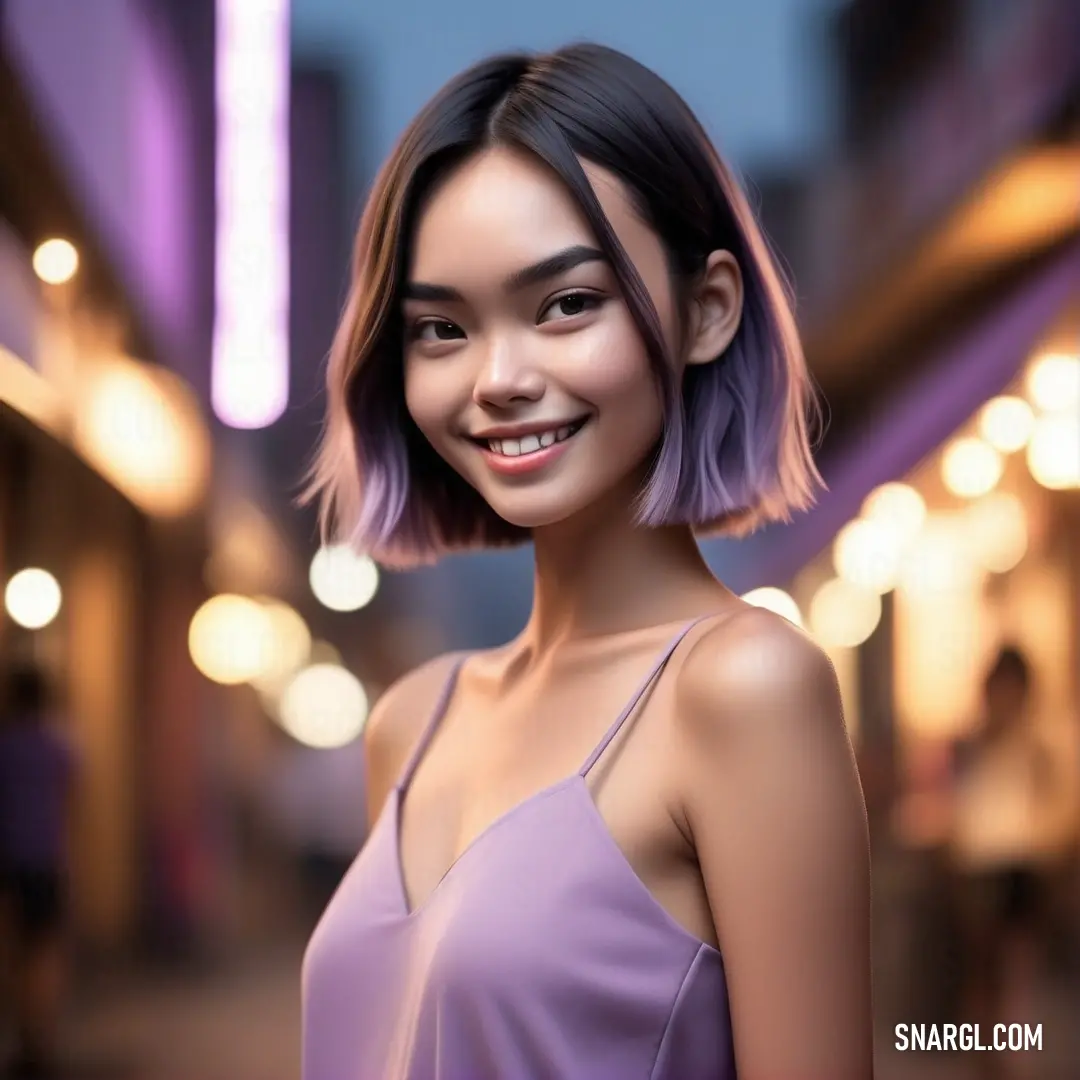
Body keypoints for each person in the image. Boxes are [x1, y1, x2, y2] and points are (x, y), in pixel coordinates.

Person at [300, 43, 872, 1079]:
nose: (498, 379)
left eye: (566, 303)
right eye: (440, 328)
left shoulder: (744, 690)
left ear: (708, 309)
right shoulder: (412, 719)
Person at [950, 646, 1068, 1053]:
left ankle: (1011, 1052)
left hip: (1023, 865)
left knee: (1017, 970)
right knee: (982, 968)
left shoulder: (1038, 745)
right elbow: (956, 806)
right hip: (980, 867)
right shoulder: (969, 743)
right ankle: (987, 1052)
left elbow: (1052, 804)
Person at [0, 663, 78, 1078]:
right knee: (45, 954)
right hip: (47, 861)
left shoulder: (6, 747)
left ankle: (23, 1037)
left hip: (10, 863)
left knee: (15, 954)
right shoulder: (56, 746)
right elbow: (71, 801)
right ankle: (42, 1040)